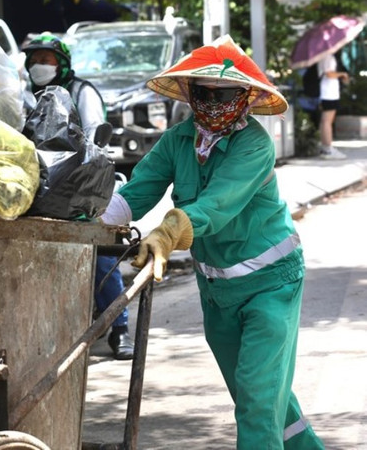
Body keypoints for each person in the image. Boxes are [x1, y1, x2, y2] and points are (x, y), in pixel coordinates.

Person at [101, 35, 324, 448]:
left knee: (257, 398)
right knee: (259, 395)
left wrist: (168, 232)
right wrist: (90, 222)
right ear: (191, 93)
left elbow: (219, 204)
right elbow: (137, 192)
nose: (216, 102)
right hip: (217, 291)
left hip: (272, 285)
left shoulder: (255, 145)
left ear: (246, 97)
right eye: (206, 93)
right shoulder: (175, 141)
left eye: (227, 93)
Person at [23, 33, 134, 360]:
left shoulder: (81, 92)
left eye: (47, 60)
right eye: (35, 60)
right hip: (38, 184)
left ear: (63, 63)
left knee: (99, 251)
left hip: (78, 184)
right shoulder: (26, 96)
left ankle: (120, 328)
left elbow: (95, 138)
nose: (39, 66)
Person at [317, 51, 349, 159]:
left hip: (329, 93)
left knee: (325, 121)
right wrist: (342, 74)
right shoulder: (327, 57)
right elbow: (329, 74)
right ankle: (328, 149)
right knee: (327, 121)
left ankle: (325, 148)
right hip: (329, 93)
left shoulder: (325, 56)